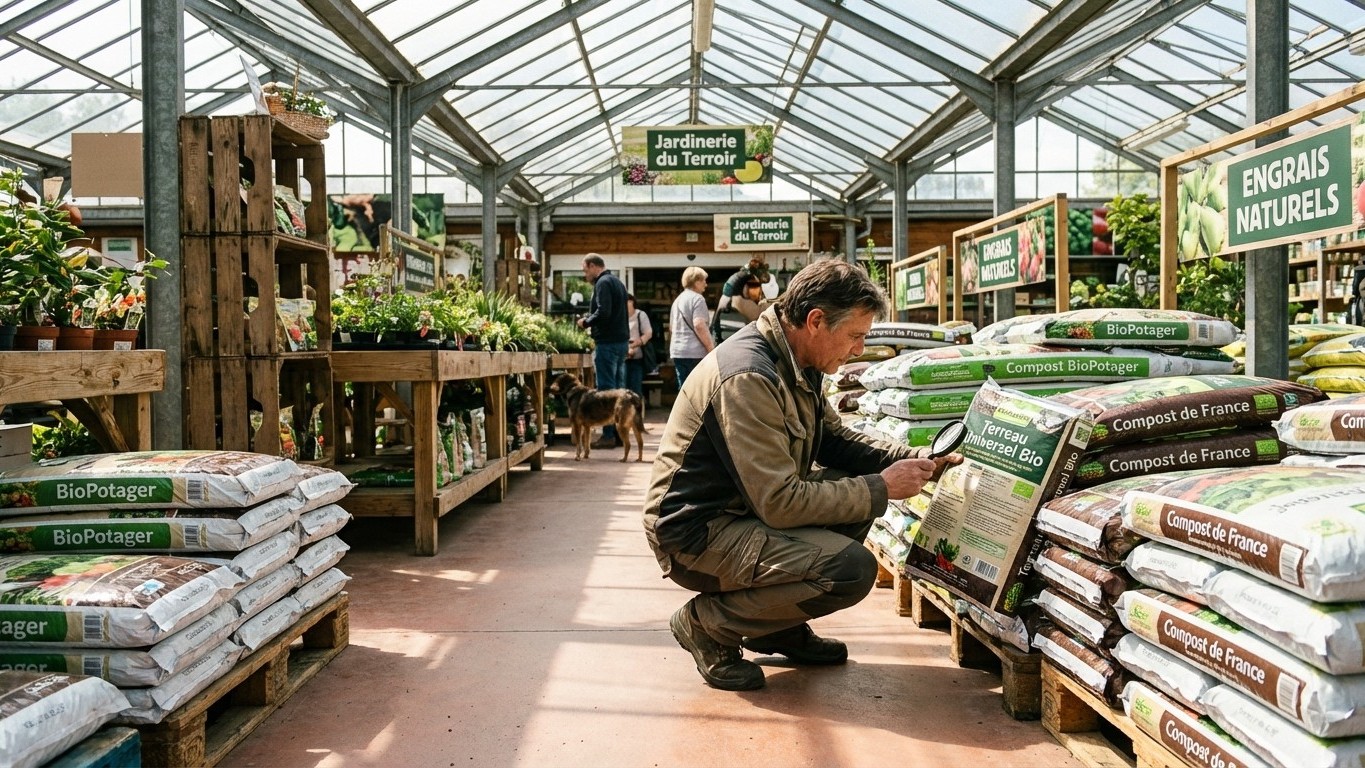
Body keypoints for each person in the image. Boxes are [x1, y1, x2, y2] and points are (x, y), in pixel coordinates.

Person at [643, 259, 962, 691]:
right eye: (855, 336)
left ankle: (774, 624)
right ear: (816, 321)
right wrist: (883, 487)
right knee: (850, 569)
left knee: (853, 494)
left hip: (741, 512)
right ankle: (706, 624)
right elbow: (779, 502)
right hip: (696, 534)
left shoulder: (797, 360)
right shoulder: (749, 376)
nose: (857, 350)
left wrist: (919, 456)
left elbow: (836, 442)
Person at [576, 253, 629, 447]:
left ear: (592, 266)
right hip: (621, 342)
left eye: (585, 270)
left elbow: (603, 311)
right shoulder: (617, 282)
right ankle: (620, 434)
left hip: (607, 343)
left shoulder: (603, 283)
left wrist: (586, 321)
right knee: (619, 391)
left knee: (607, 391)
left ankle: (608, 436)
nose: (585, 275)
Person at [668, 266, 713, 389]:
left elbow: (672, 328)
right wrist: (711, 348)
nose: (706, 284)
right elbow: (699, 325)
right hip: (695, 352)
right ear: (696, 281)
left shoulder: (677, 300)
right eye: (703, 280)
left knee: (684, 389)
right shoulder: (698, 299)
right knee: (698, 389)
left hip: (678, 351)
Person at [625, 294, 653, 401]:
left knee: (635, 388)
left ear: (631, 302)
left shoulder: (640, 315)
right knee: (623, 389)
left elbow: (648, 333)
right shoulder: (619, 316)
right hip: (622, 357)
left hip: (637, 357)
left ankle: (637, 413)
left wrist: (634, 345)